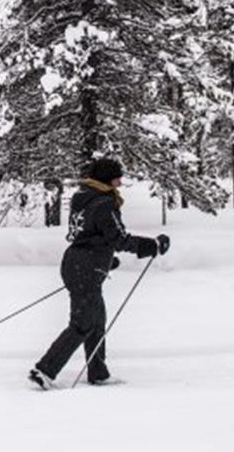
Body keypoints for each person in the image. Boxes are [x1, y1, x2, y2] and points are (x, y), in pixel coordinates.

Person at [28, 158, 170, 390]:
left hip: (78, 262)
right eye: (117, 177)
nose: (120, 181)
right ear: (107, 179)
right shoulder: (104, 203)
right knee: (82, 324)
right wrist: (152, 246)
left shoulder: (83, 197)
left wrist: (104, 258)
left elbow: (86, 234)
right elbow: (119, 239)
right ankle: (44, 370)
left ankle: (98, 373)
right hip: (86, 267)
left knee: (97, 321)